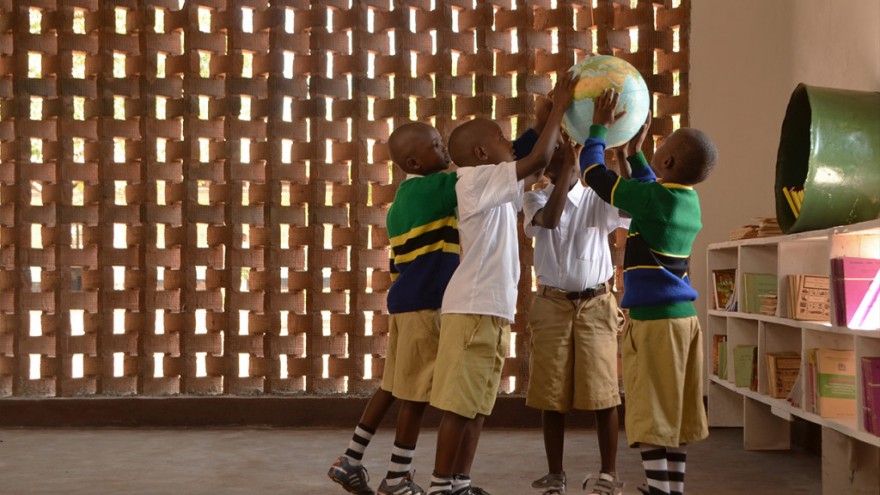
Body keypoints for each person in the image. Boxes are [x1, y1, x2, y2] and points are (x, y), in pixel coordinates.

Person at [425, 71, 579, 495]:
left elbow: (531, 153)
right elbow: (532, 160)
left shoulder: (494, 184)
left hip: (490, 310)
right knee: (459, 405)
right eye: (499, 136)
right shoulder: (473, 181)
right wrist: (559, 109)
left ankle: (460, 481)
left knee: (477, 405)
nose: (508, 140)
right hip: (472, 309)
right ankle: (441, 484)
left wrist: (541, 118)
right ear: (480, 152)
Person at [579, 89, 718, 495]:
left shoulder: (656, 199)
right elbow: (646, 187)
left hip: (655, 326)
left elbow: (593, 175)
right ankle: (670, 489)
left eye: (661, 150)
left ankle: (658, 489)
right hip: (682, 324)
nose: (655, 153)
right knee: (672, 414)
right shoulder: (684, 200)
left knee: (651, 411)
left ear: (670, 162)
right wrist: (639, 155)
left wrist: (598, 130)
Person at [328, 121, 459, 495]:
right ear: (414, 161)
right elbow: (489, 167)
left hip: (404, 302)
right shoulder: (435, 188)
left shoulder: (400, 202)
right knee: (416, 395)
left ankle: (351, 458)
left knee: (393, 385)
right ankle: (398, 478)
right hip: (426, 305)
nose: (445, 147)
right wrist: (536, 131)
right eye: (436, 145)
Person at [517, 97, 630, 495]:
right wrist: (565, 168)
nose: (558, 160)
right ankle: (555, 473)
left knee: (603, 394)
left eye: (565, 153)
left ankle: (609, 473)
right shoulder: (533, 197)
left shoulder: (597, 196)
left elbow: (628, 205)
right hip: (551, 304)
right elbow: (548, 219)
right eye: (552, 156)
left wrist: (621, 154)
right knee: (550, 394)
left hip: (597, 303)